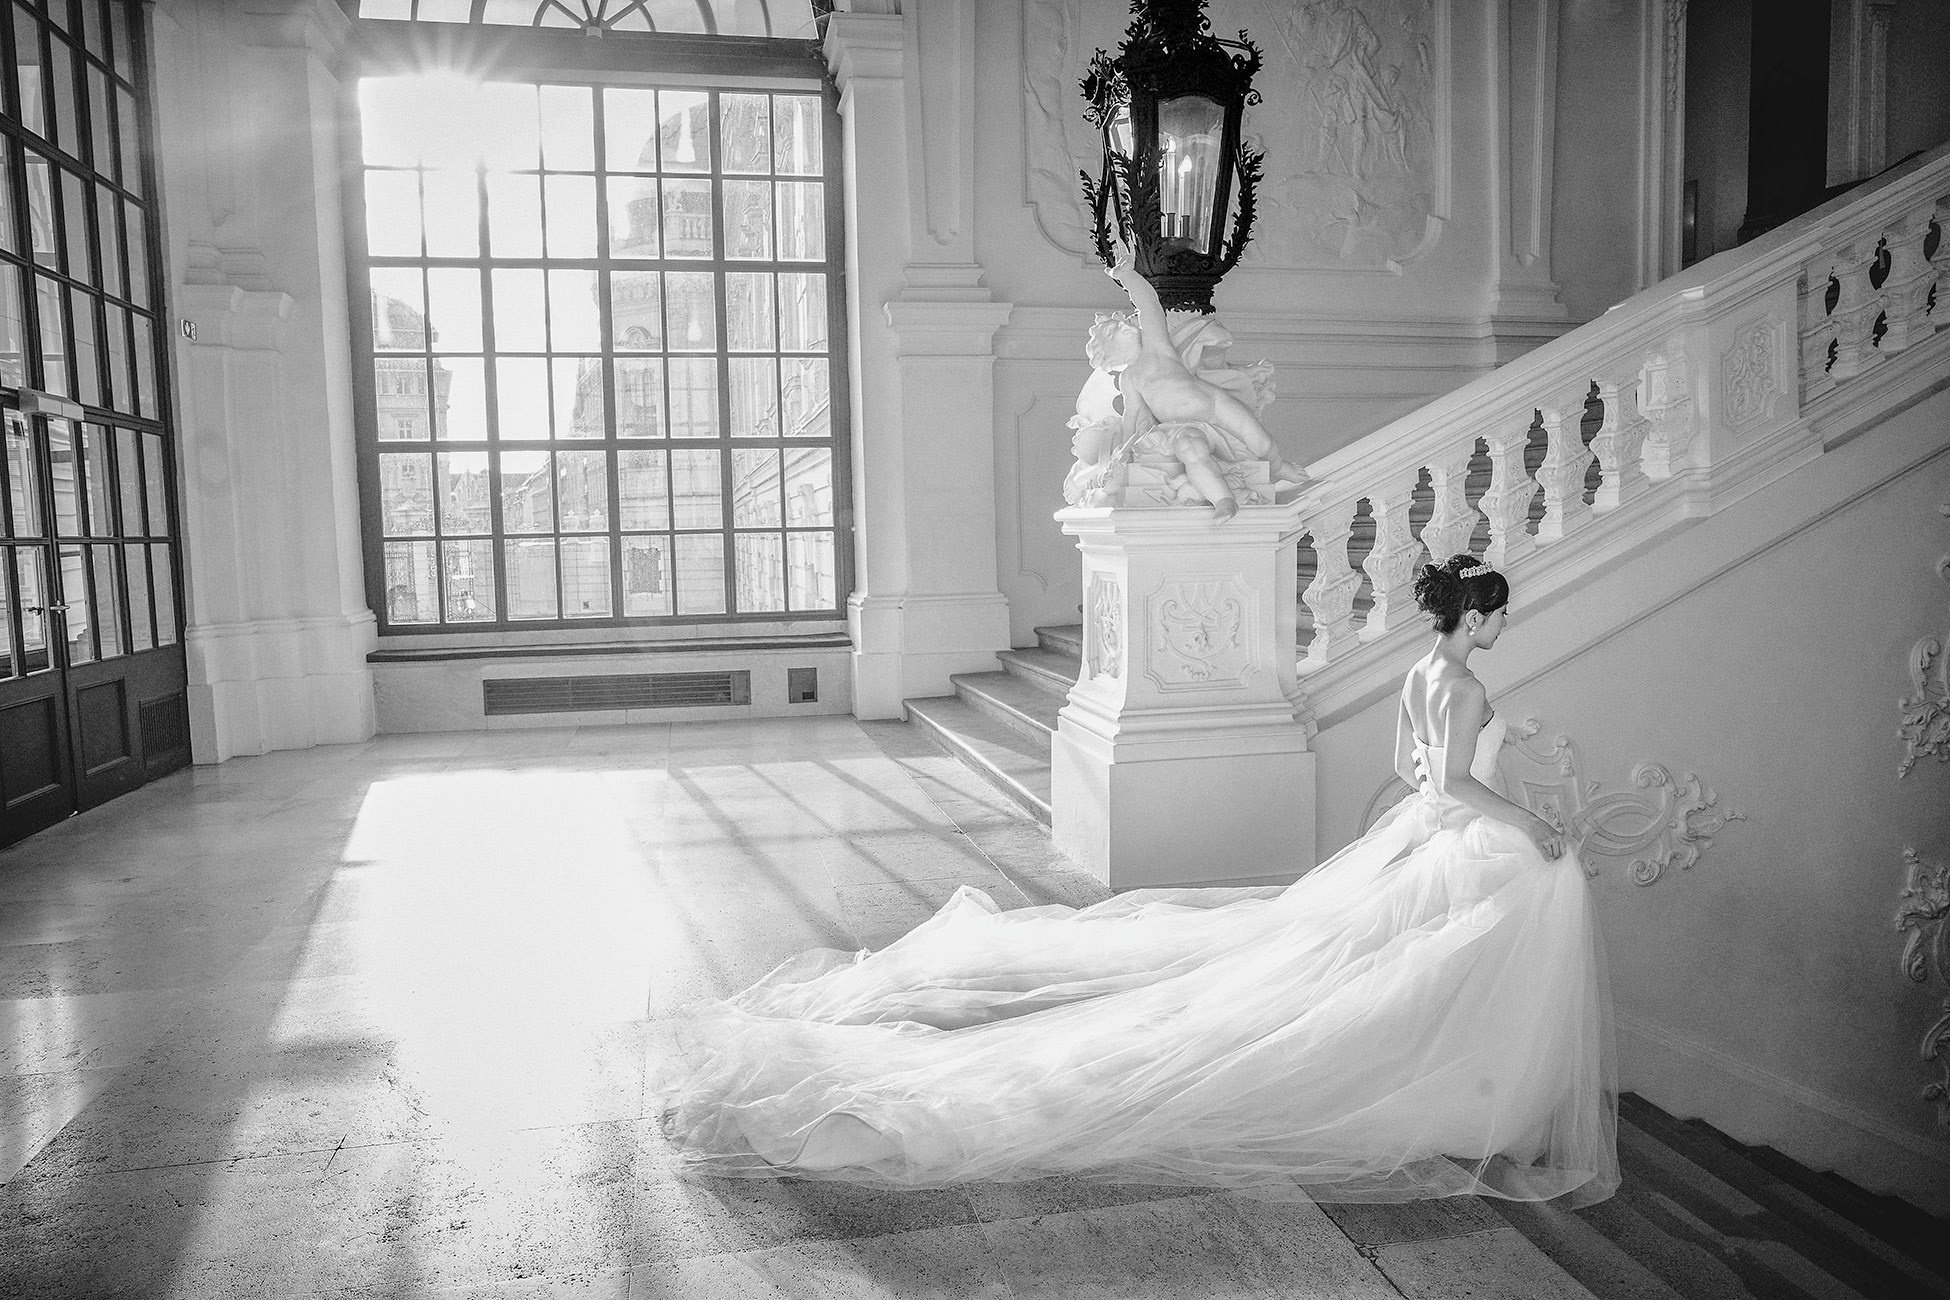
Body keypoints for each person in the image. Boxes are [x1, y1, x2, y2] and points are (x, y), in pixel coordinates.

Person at [657, 553, 1618, 1206]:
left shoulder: (1419, 675)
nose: (1502, 625)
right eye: (1499, 614)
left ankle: (1446, 1086)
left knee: (1377, 974)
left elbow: (1410, 768)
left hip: (1427, 836)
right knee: (1416, 976)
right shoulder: (1469, 685)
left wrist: (1458, 807)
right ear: (1476, 616)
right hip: (1464, 839)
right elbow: (1455, 784)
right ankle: (1463, 1098)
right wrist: (1534, 823)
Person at [1095, 255, 1308, 521]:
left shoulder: (1157, 349)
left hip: (1216, 405)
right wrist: (1122, 450)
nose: (1126, 327)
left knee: (1262, 444)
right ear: (1109, 354)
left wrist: (1128, 277)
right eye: (1115, 332)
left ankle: (1279, 467)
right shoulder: (1129, 378)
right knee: (1191, 450)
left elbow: (1149, 306)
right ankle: (1223, 500)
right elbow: (1132, 414)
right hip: (1179, 426)